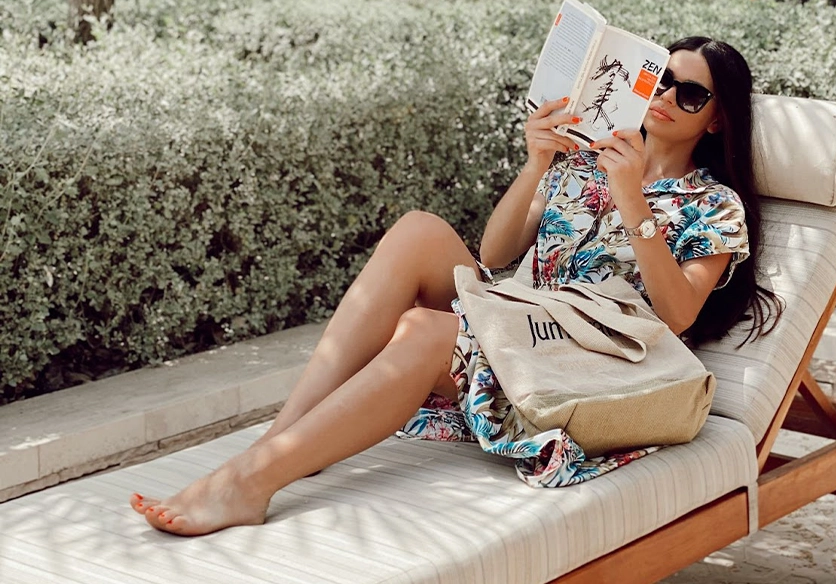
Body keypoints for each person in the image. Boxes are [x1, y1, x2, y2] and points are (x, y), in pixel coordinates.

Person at [130, 36, 781, 535]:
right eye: (659, 80)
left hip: (592, 364)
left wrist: (631, 196)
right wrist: (539, 162)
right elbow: (495, 253)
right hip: (524, 323)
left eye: (689, 95)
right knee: (417, 231)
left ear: (717, 120)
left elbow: (673, 316)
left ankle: (252, 481)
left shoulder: (711, 204)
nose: (666, 97)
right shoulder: (585, 160)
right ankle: (281, 442)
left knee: (425, 332)